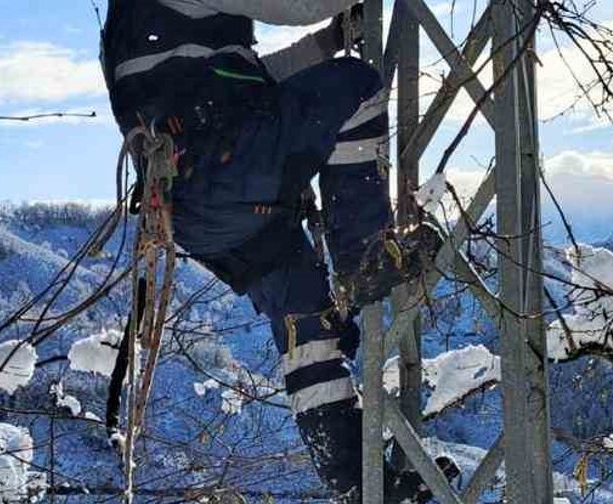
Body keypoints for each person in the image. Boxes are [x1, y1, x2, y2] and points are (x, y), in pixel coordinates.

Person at [100, 1, 452, 501]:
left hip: (194, 204)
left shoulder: (146, 25)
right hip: (222, 160)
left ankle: (357, 481)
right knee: (355, 87)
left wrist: (325, 44)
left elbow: (248, 74)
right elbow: (296, 4)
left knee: (306, 323)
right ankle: (365, 253)